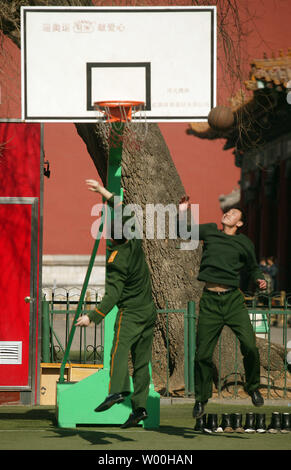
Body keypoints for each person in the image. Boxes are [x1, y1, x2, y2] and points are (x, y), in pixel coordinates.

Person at [76, 179, 157, 429]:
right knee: (142, 362)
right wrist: (105, 193)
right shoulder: (135, 243)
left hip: (131, 313)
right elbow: (127, 211)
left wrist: (92, 316)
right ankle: (140, 408)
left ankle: (117, 391)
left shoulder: (116, 260)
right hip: (149, 311)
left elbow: (112, 294)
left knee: (119, 352)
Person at [178, 198, 267, 419]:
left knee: (250, 346)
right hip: (210, 301)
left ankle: (253, 387)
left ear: (240, 224)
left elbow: (254, 268)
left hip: (233, 301)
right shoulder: (210, 231)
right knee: (202, 355)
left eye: (234, 213)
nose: (228, 213)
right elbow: (184, 231)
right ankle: (201, 399)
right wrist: (181, 212)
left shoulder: (245, 243)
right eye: (227, 211)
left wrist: (260, 280)